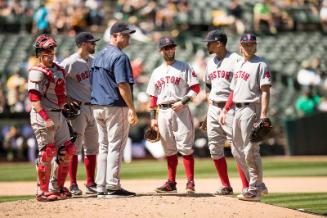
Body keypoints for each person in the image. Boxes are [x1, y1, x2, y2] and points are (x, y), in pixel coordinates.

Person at [220, 33, 271, 202]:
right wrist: (226, 109)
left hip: (252, 107)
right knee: (235, 149)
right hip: (237, 109)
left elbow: (265, 91)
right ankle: (257, 184)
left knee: (251, 149)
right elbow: (233, 91)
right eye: (246, 44)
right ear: (240, 46)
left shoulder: (261, 64)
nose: (249, 46)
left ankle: (255, 187)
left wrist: (263, 115)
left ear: (255, 46)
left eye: (252, 44)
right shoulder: (238, 64)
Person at [90, 21, 139, 198]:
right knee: (116, 146)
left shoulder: (99, 55)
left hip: (97, 106)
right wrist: (132, 108)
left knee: (103, 146)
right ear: (114, 36)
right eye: (124, 35)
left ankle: (101, 185)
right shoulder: (120, 56)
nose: (128, 38)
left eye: (128, 35)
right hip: (114, 106)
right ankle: (113, 186)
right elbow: (123, 85)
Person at [146, 36, 200, 194]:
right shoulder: (156, 72)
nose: (170, 50)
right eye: (167, 48)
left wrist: (183, 101)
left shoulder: (184, 67)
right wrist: (152, 119)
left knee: (186, 147)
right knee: (168, 149)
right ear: (160, 51)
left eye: (172, 47)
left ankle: (190, 182)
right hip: (162, 112)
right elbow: (153, 98)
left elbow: (195, 88)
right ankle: (171, 182)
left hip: (180, 110)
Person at [27, 34, 76, 201]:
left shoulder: (57, 68)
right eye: (47, 49)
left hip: (59, 113)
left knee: (68, 149)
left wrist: (70, 102)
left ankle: (57, 188)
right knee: (47, 152)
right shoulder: (37, 72)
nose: (51, 52)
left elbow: (59, 93)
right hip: (44, 115)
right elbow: (34, 98)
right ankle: (41, 191)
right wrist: (45, 117)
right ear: (39, 52)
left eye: (52, 49)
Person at [202, 30, 249, 195]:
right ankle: (225, 185)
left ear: (219, 43)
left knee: (237, 148)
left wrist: (228, 107)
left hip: (232, 108)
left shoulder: (236, 59)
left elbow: (238, 86)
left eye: (210, 42)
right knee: (214, 148)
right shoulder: (210, 62)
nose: (207, 45)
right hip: (214, 108)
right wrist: (209, 100)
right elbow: (208, 84)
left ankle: (246, 186)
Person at [58, 32, 100, 195]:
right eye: (92, 43)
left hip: (94, 107)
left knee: (92, 148)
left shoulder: (94, 62)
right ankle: (73, 183)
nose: (94, 45)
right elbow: (58, 82)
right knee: (74, 148)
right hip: (78, 109)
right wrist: (67, 99)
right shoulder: (70, 62)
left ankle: (90, 183)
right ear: (83, 44)